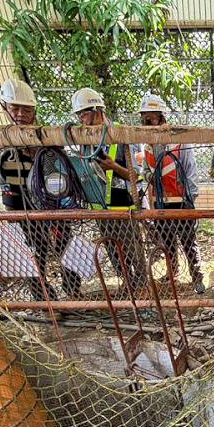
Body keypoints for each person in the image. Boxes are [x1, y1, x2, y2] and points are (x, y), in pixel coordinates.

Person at [0, 78, 81, 301]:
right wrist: (2, 146)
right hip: (18, 204)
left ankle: (73, 289)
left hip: (50, 202)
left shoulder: (44, 135)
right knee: (33, 252)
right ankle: (44, 298)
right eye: (15, 108)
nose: (20, 114)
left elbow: (62, 165)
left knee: (66, 245)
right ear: (5, 107)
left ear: (34, 111)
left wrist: (39, 149)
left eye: (26, 109)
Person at [71, 87, 147, 293]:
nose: (81, 120)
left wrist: (113, 166)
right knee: (113, 250)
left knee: (133, 248)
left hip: (123, 207)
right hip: (100, 207)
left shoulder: (120, 134)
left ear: (97, 110)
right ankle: (127, 283)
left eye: (84, 114)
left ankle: (142, 286)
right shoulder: (85, 139)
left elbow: (137, 175)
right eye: (79, 115)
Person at [139, 92, 205, 294]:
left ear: (162, 118)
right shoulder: (147, 145)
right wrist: (149, 187)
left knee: (188, 241)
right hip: (160, 201)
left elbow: (191, 171)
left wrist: (190, 200)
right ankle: (172, 270)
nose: (149, 124)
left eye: (152, 119)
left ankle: (197, 276)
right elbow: (146, 172)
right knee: (167, 241)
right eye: (145, 120)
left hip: (181, 200)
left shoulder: (179, 141)